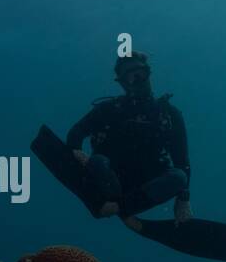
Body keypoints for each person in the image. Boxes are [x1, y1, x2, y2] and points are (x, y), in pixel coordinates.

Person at [66, 52, 192, 232]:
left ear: (148, 73)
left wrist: (183, 199)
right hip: (110, 178)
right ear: (123, 83)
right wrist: (76, 153)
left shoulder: (169, 115)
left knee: (179, 177)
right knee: (97, 161)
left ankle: (120, 209)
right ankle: (116, 207)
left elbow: (182, 162)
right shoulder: (108, 110)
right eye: (130, 77)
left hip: (146, 184)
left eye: (140, 73)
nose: (137, 80)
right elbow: (75, 133)